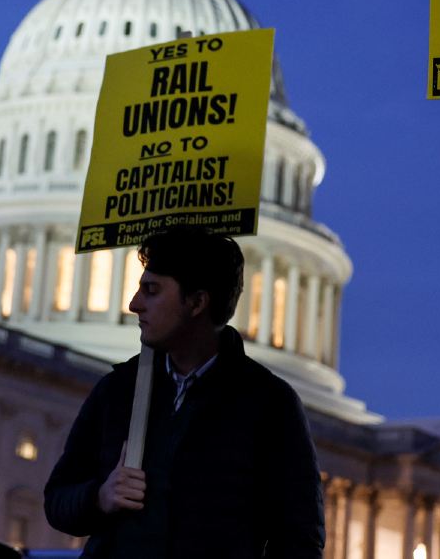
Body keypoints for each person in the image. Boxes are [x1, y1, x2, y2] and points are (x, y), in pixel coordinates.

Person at [44, 228, 324, 557]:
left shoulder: (269, 405)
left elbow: (299, 538)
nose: (134, 304)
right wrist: (100, 497)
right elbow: (57, 499)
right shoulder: (118, 390)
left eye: (151, 291)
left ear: (197, 302)